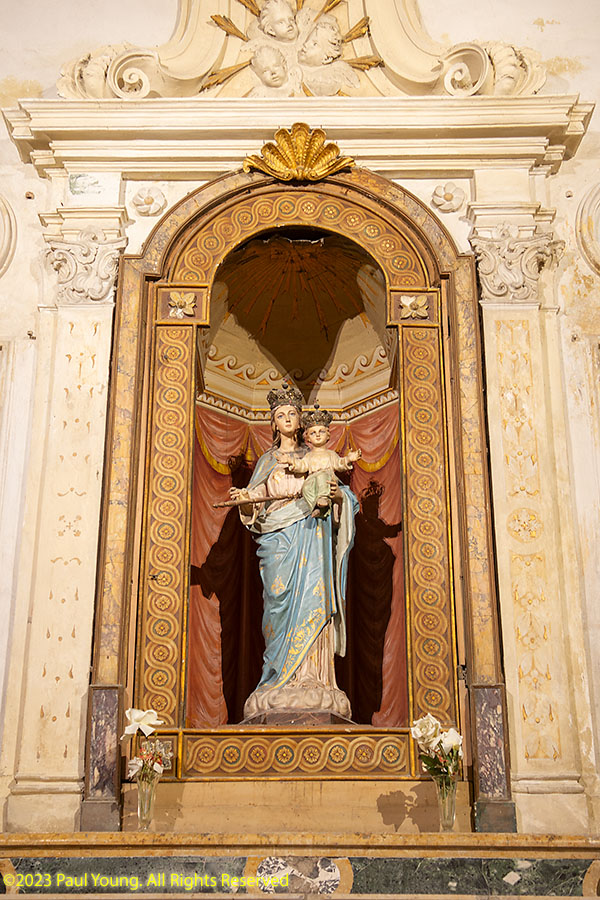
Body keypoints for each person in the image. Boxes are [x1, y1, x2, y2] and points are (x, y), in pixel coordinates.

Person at [229, 384, 358, 720]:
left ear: (301, 421)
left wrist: (336, 496)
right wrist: (245, 501)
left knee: (313, 600)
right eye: (280, 415)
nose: (287, 419)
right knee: (277, 605)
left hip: (312, 536)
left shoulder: (315, 456)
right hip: (277, 541)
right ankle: (277, 678)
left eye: (292, 414)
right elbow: (254, 503)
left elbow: (344, 497)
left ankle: (314, 679)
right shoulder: (267, 461)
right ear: (273, 423)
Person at [280, 406, 361, 522]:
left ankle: (324, 500)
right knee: (306, 489)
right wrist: (289, 460)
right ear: (308, 438)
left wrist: (348, 459)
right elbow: (301, 465)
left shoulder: (330, 454)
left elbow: (339, 464)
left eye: (321, 432)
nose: (317, 435)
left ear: (328, 435)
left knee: (322, 477)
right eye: (313, 433)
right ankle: (316, 507)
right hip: (312, 480)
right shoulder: (308, 456)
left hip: (327, 478)